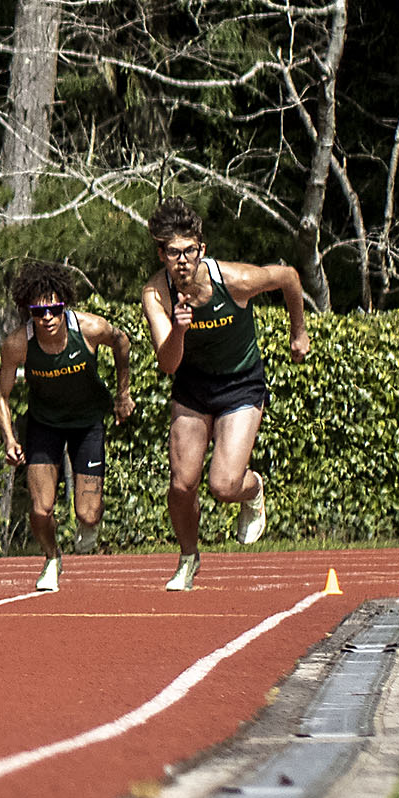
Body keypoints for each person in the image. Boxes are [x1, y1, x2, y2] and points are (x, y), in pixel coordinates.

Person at [139, 197, 309, 592]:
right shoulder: (156, 295)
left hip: (240, 385)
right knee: (182, 484)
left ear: (202, 249)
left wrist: (298, 332)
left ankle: (254, 489)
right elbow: (167, 364)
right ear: (161, 254)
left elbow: (288, 277)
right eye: (172, 252)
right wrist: (179, 329)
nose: (182, 261)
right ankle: (187, 557)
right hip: (193, 388)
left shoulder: (235, 280)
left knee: (224, 486)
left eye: (189, 251)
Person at [0, 261, 134, 594]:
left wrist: (122, 395)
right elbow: (1, 395)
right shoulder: (17, 344)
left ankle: (89, 522)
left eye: (54, 309)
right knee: (41, 510)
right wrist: (9, 439)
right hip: (45, 425)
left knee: (88, 513)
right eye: (39, 313)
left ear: (64, 305)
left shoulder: (90, 328)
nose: (48, 319)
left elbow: (122, 343)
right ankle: (52, 558)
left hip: (87, 424)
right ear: (29, 313)